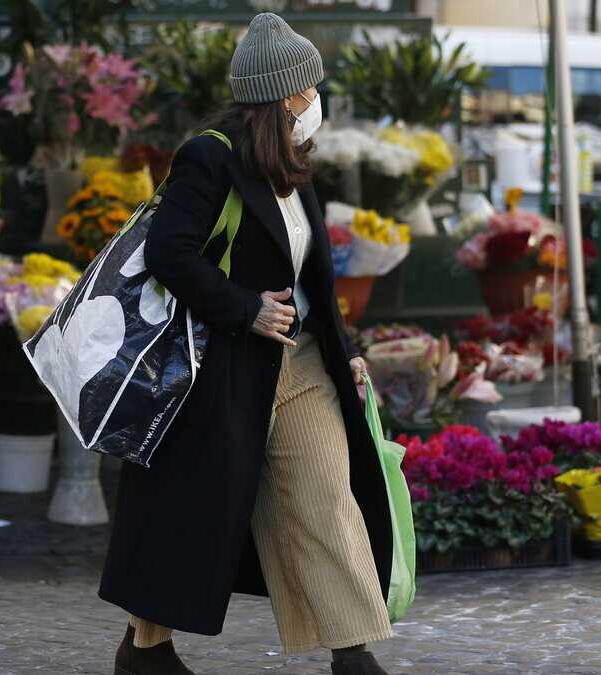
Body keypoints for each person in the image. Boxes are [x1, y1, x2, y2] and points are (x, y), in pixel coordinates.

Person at [101, 13, 394, 675]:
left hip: (301, 361)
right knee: (187, 510)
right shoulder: (209, 155)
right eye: (310, 87)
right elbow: (168, 252)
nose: (318, 98)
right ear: (286, 95)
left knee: (325, 493)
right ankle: (145, 648)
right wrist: (243, 308)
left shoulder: (292, 159)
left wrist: (343, 345)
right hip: (222, 365)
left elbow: (311, 272)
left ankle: (352, 652)